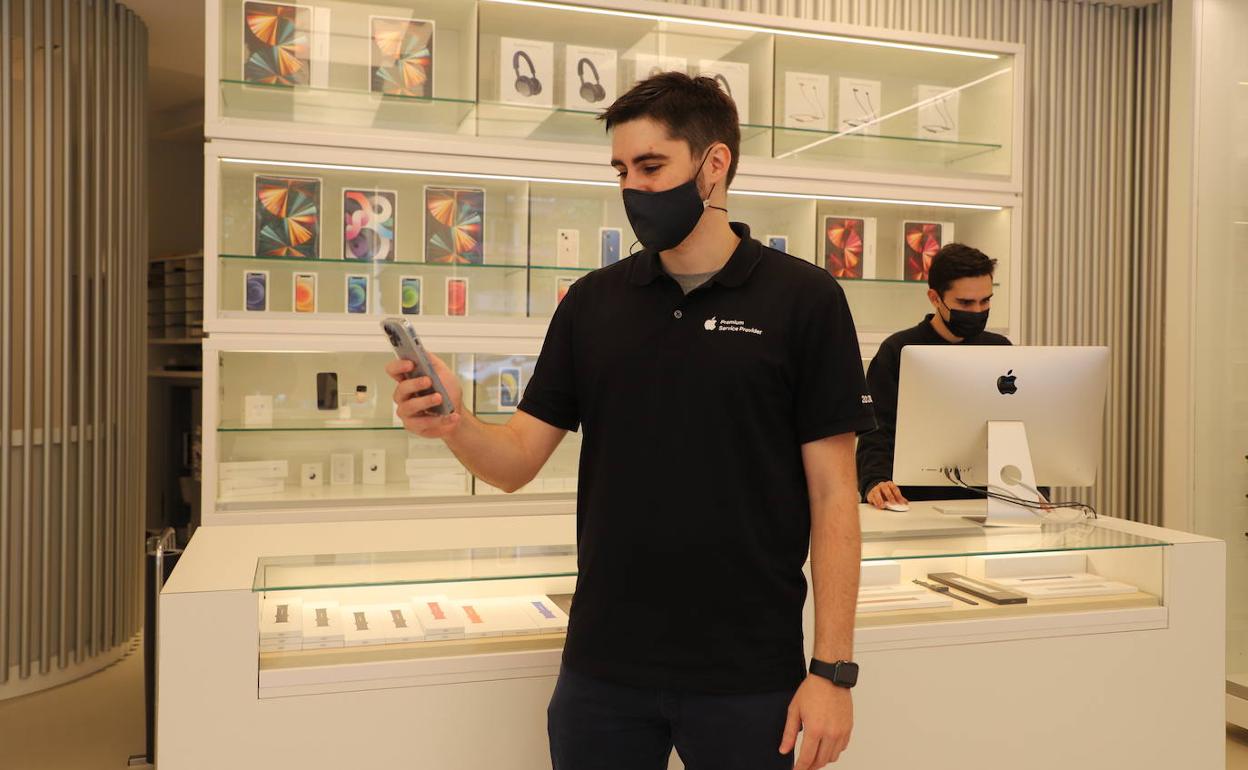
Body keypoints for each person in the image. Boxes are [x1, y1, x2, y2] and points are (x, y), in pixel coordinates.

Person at [388, 72, 875, 770]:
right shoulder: (593, 304)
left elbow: (834, 496)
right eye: (622, 170)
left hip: (750, 675)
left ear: (714, 165)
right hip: (602, 673)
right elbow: (516, 460)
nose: (634, 187)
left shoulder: (804, 299)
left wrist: (832, 673)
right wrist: (455, 423)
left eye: (652, 166)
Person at [855, 243, 1010, 510]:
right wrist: (875, 481)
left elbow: (1019, 429)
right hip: (911, 503)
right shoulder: (898, 351)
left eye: (985, 301)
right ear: (935, 298)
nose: (977, 311)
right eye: (965, 302)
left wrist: (1034, 488)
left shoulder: (1001, 350)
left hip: (988, 503)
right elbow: (875, 432)